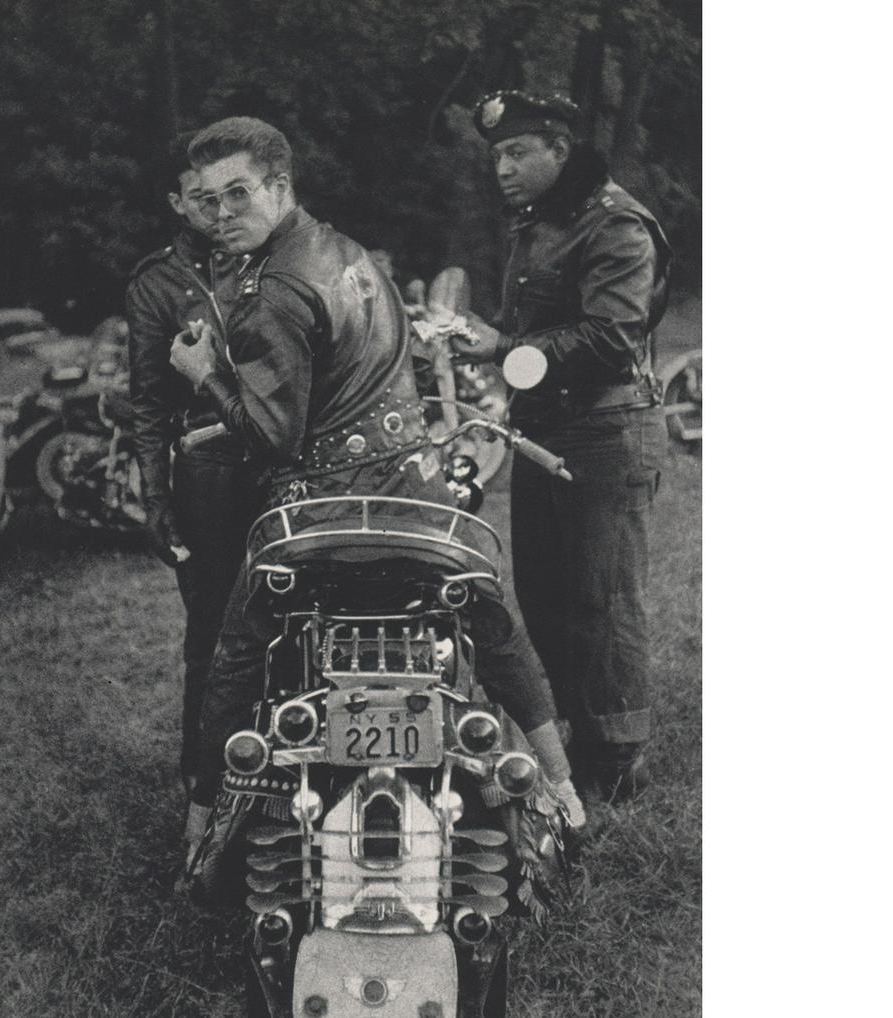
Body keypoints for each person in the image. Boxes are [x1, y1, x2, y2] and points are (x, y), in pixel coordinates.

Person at [165, 116, 585, 858]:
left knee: (234, 656)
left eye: (239, 193)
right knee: (493, 620)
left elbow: (272, 437)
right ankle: (564, 790)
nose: (223, 213)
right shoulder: (345, 251)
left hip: (322, 514)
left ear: (279, 186)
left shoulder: (272, 290)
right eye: (210, 199)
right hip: (419, 494)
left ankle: (202, 828)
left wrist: (205, 377)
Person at [450, 90, 672, 801]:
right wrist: (480, 346)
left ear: (560, 149)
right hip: (546, 429)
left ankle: (620, 756)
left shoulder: (615, 225)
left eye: (518, 152)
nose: (503, 169)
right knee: (544, 593)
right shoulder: (541, 222)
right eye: (496, 156)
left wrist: (501, 348)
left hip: (607, 431)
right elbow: (541, 331)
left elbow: (611, 340)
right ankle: (579, 728)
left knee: (602, 599)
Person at [127, 131, 268, 795]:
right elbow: (149, 402)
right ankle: (204, 776)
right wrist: (157, 498)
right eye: (199, 198)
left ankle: (281, 759)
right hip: (210, 470)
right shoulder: (157, 284)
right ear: (176, 203)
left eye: (225, 195)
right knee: (214, 625)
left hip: (282, 457)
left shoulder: (268, 258)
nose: (216, 211)